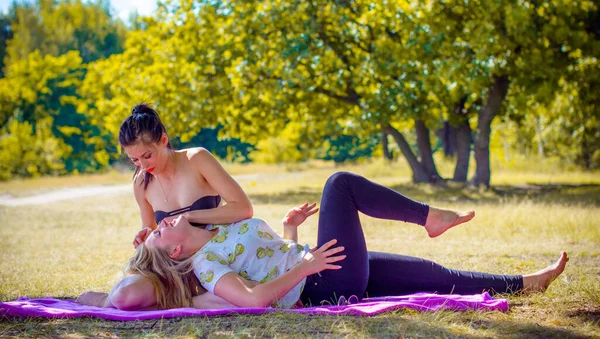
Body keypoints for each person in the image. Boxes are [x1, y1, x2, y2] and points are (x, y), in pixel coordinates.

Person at [125, 172, 569, 310]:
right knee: (339, 185)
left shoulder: (220, 229)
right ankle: (428, 217)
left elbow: (269, 260)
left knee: (433, 276)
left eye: (162, 225)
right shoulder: (206, 266)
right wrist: (307, 267)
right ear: (177, 252)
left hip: (319, 266)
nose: (163, 223)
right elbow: (256, 298)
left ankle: (529, 283)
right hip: (322, 283)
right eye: (162, 231)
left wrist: (291, 228)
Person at [77, 103, 255, 310]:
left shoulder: (197, 159)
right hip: (169, 266)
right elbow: (152, 230)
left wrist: (190, 216)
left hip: (213, 256)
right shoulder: (141, 183)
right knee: (125, 297)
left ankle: (182, 301)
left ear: (163, 140)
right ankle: (107, 300)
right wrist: (146, 235)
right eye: (134, 160)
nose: (143, 166)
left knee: (239, 295)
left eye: (147, 156)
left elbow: (243, 209)